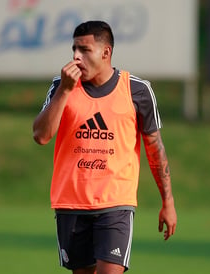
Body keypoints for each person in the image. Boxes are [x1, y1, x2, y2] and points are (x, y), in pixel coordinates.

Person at [32, 21, 177, 274]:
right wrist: (65, 91)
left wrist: (168, 201)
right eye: (74, 49)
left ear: (105, 52)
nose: (76, 56)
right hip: (71, 204)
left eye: (84, 50)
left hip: (116, 205)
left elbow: (155, 149)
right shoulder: (60, 86)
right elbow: (41, 136)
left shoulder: (137, 90)